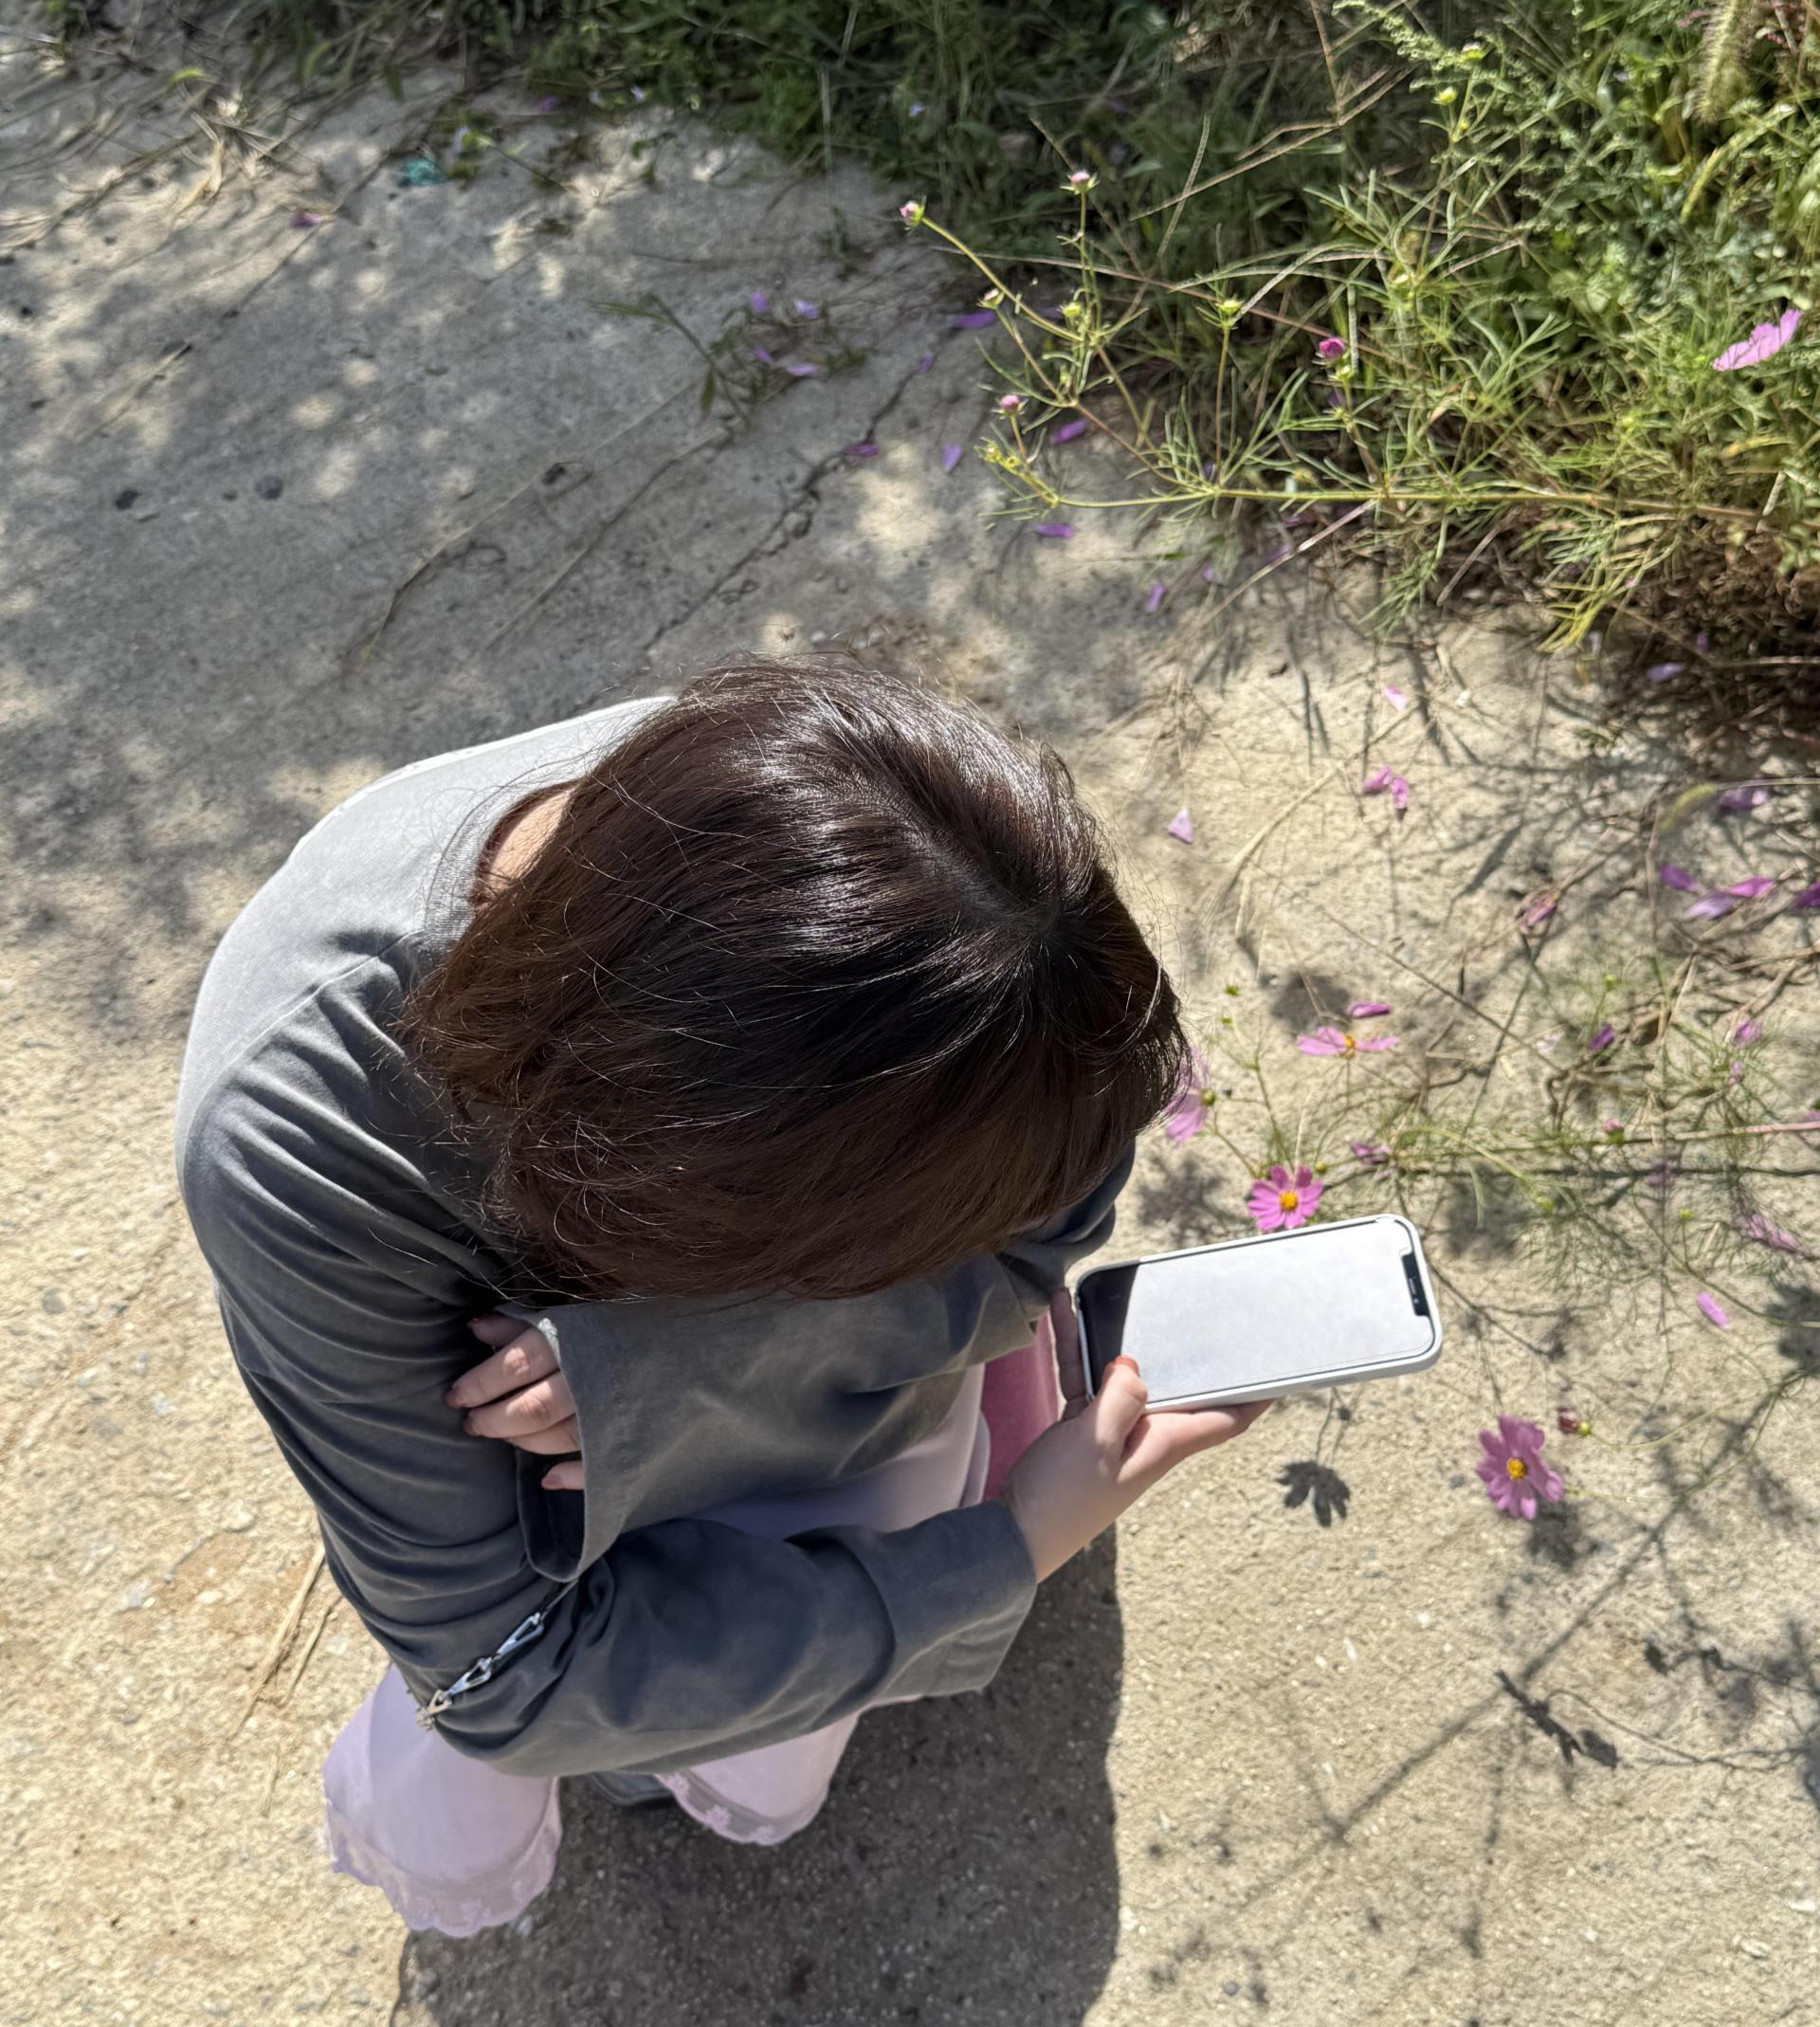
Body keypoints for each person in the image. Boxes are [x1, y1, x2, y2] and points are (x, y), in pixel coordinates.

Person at [176, 660, 1265, 1935]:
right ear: (650, 1204)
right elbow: (505, 1672)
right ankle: (675, 1760)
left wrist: (668, 1374)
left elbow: (1052, 1220)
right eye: (871, 1256)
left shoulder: (911, 855)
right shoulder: (301, 1153)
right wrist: (1005, 1548)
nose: (1027, 1253)